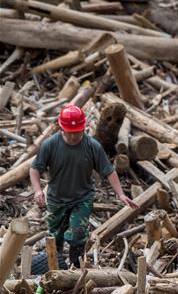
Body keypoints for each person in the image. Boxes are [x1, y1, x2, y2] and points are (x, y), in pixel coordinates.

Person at [29, 105, 138, 268]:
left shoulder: (92, 146)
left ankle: (77, 264)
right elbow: (35, 168)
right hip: (56, 199)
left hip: (82, 199)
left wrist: (121, 194)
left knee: (77, 233)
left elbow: (109, 171)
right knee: (54, 237)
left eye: (77, 132)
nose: (73, 136)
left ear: (83, 128)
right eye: (70, 132)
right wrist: (38, 190)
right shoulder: (50, 145)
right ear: (62, 128)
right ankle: (54, 268)